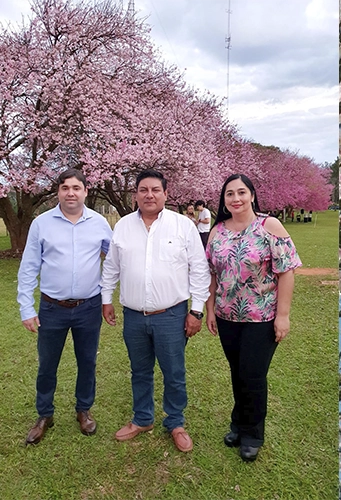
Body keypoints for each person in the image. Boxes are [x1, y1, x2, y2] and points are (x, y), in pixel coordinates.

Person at [100, 169, 210, 453]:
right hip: (134, 316)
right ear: (135, 194)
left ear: (165, 193)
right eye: (143, 190)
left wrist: (196, 311)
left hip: (171, 315)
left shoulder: (182, 226)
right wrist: (106, 298)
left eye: (155, 190)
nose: (149, 195)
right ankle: (143, 418)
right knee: (140, 371)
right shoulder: (123, 226)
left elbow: (199, 269)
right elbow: (111, 266)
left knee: (174, 372)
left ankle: (175, 422)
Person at [205, 174, 302, 462]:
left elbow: (287, 271)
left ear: (252, 195)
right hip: (226, 316)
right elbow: (211, 274)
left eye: (241, 192)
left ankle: (252, 433)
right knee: (237, 372)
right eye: (229, 194)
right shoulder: (217, 231)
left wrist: (282, 316)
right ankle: (238, 423)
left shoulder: (269, 226)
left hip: (261, 317)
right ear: (223, 201)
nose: (236, 199)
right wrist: (210, 310)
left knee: (253, 375)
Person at [17, 169, 112, 445]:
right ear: (58, 191)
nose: (71, 192)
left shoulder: (98, 223)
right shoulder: (41, 224)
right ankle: (45, 414)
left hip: (88, 307)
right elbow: (28, 268)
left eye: (76, 188)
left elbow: (115, 258)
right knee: (47, 365)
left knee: (87, 361)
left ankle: (84, 410)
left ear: (85, 191)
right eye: (65, 187)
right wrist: (26, 308)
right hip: (51, 308)